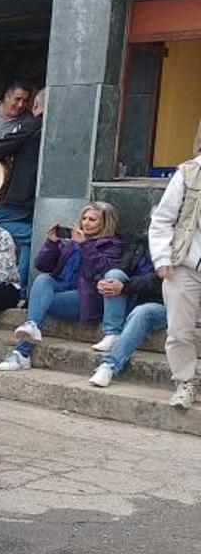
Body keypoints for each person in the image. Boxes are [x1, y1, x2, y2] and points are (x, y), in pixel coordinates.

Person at [0, 202, 124, 372]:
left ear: (105, 223)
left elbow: (102, 270)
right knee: (43, 279)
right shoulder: (72, 241)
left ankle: (21, 353)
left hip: (85, 298)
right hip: (59, 290)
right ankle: (31, 328)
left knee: (40, 300)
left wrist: (85, 245)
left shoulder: (113, 244)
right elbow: (42, 265)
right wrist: (51, 243)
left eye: (92, 220)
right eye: (84, 218)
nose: (86, 222)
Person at [148, 153, 201, 408]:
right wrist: (161, 257)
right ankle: (185, 382)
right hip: (185, 264)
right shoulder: (189, 173)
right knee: (179, 331)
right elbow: (162, 219)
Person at [0, 87, 45, 292]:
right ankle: (22, 287)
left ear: (36, 105)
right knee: (27, 245)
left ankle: (39, 235)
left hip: (21, 192)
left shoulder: (33, 124)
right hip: (37, 192)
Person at [89, 237, 164, 387]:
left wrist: (125, 287)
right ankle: (112, 333)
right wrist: (102, 281)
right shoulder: (141, 242)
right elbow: (121, 266)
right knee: (114, 274)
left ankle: (109, 366)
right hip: (135, 296)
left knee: (142, 312)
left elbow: (162, 282)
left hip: (167, 304)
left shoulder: (179, 246)